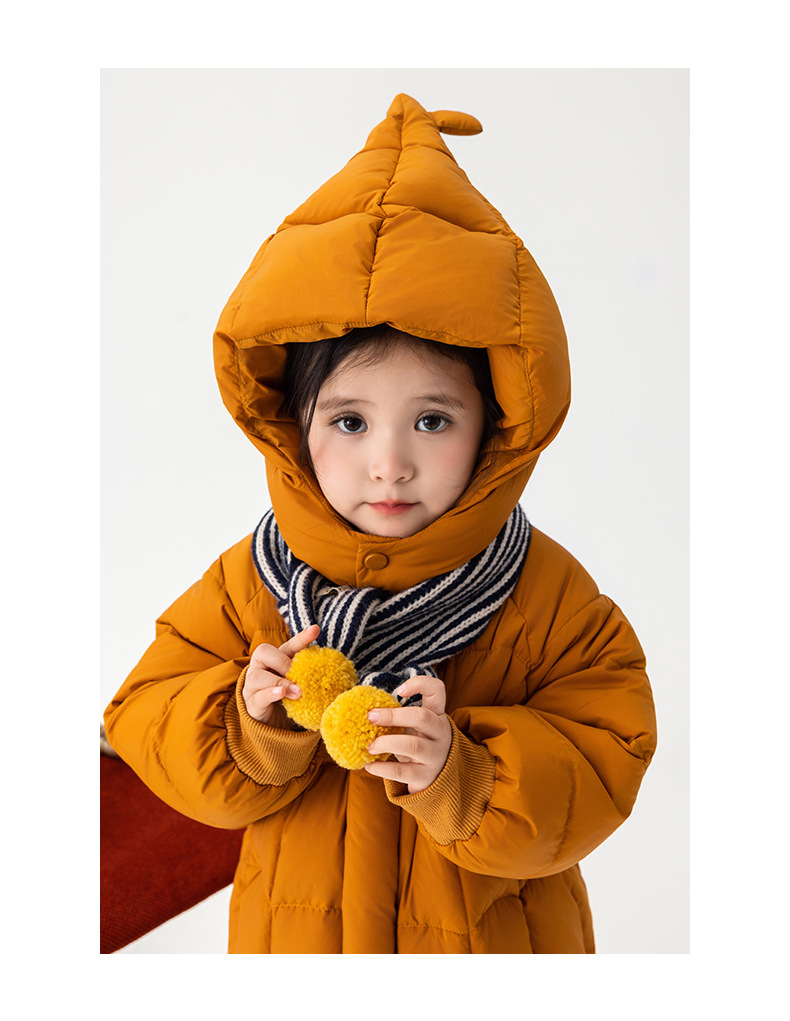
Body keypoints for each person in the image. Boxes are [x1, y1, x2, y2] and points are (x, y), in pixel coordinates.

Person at [104, 93, 657, 954]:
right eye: (350, 421)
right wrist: (252, 725)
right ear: (291, 426)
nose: (389, 463)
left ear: (497, 424)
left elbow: (605, 753)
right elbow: (146, 716)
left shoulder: (546, 596)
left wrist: (462, 773)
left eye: (431, 420)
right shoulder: (252, 581)